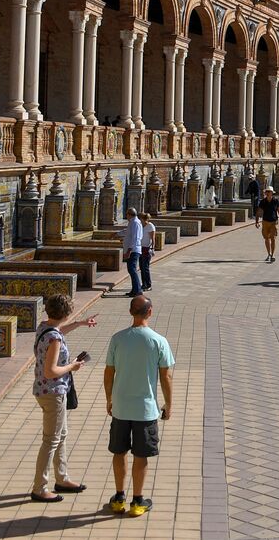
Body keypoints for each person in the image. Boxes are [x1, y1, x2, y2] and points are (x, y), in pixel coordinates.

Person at [104, 296, 174, 518]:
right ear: (150, 312)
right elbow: (166, 376)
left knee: (119, 451)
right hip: (145, 409)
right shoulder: (158, 341)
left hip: (121, 407)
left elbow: (109, 372)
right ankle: (137, 501)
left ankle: (118, 497)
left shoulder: (118, 339)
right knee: (141, 456)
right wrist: (168, 404)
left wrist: (109, 398)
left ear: (130, 311)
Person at [30, 294, 98, 502]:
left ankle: (62, 478)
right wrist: (73, 366)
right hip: (53, 392)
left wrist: (80, 323)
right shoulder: (55, 338)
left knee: (61, 435)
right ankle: (40, 488)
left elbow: (57, 331)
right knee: (51, 440)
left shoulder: (45, 328)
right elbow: (51, 371)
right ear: (66, 314)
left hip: (44, 391)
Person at [254, 187, 279, 262]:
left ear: (272, 193)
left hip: (274, 222)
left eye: (269, 192)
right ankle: (269, 254)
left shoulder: (276, 201)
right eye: (266, 192)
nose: (267, 193)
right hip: (265, 222)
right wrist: (257, 221)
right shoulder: (263, 202)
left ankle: (273, 254)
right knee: (266, 238)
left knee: (273, 238)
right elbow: (258, 212)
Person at [122, 208, 145, 297]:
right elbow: (127, 233)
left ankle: (138, 290)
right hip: (132, 250)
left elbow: (135, 238)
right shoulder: (132, 222)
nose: (126, 215)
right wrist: (117, 234)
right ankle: (135, 290)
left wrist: (129, 251)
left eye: (127, 214)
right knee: (131, 270)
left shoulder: (135, 223)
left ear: (129, 214)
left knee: (132, 270)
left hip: (133, 250)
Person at [139, 212, 157, 291]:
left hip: (147, 249)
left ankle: (148, 284)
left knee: (145, 267)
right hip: (140, 248)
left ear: (143, 219)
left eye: (140, 218)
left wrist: (153, 248)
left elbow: (153, 238)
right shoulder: (141, 225)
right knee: (141, 267)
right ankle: (144, 284)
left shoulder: (150, 226)